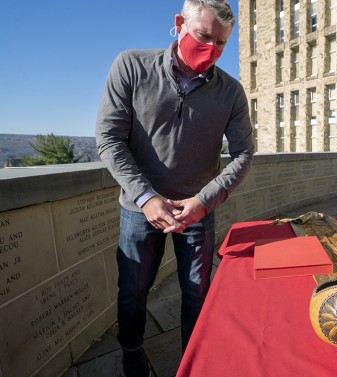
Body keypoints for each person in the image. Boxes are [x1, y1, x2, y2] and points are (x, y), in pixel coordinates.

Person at [96, 0, 254, 375]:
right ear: (179, 23)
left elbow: (245, 153)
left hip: (197, 211)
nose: (211, 50)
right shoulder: (131, 66)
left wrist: (203, 201)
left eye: (220, 44)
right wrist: (147, 197)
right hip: (139, 210)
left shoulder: (230, 92)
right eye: (203, 36)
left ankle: (193, 362)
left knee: (198, 294)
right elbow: (109, 138)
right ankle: (132, 353)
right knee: (133, 290)